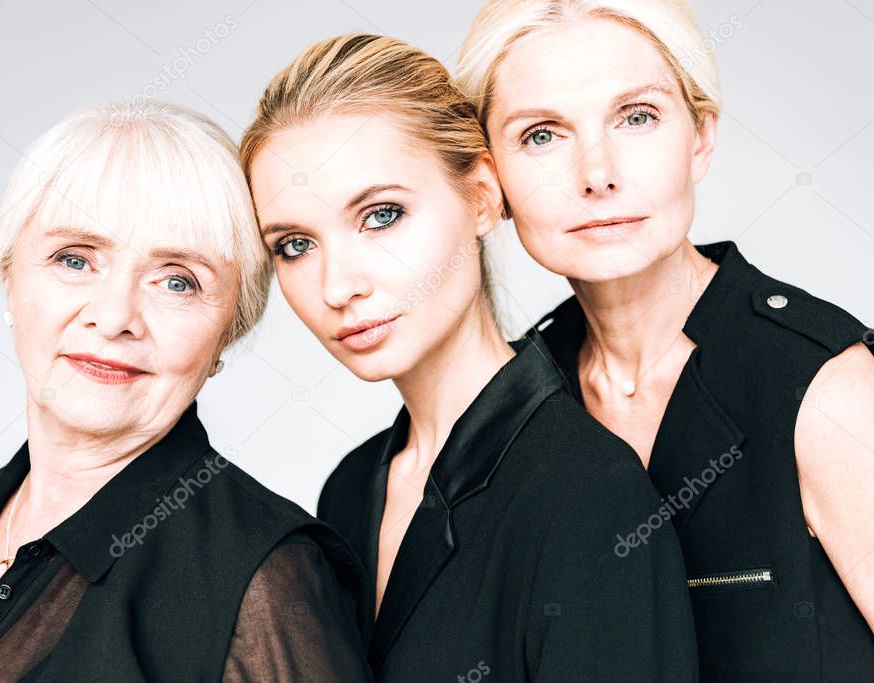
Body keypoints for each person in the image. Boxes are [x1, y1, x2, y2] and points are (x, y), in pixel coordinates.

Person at [0, 101, 372, 682]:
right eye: (74, 259)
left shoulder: (266, 576)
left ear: (230, 327)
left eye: (177, 280)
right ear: (10, 277)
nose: (113, 317)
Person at [242, 33, 698, 681]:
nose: (337, 285)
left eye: (381, 214)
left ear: (482, 195)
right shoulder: (349, 489)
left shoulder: (586, 493)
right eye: (293, 244)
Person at [455, 1, 874, 679]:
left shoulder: (824, 387)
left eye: (636, 117)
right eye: (542, 134)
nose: (595, 173)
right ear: (490, 176)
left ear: (699, 138)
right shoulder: (510, 409)